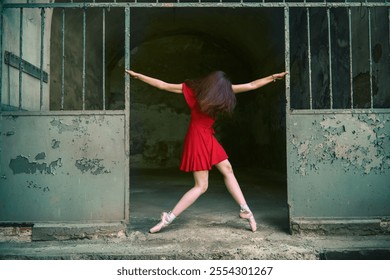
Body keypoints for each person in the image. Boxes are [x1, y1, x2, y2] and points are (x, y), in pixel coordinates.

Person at [125, 69, 288, 233]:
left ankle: (245, 210)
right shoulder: (193, 90)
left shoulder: (221, 91)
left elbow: (252, 85)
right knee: (201, 186)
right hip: (198, 137)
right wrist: (139, 76)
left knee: (227, 169)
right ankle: (168, 218)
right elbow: (163, 85)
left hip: (207, 135)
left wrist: (272, 78)